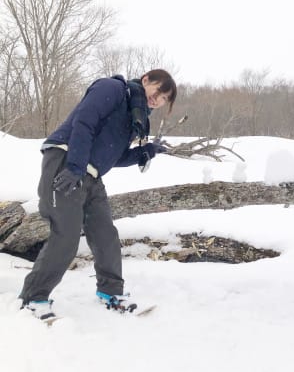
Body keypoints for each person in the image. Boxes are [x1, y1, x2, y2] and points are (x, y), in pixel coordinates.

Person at [19, 69, 177, 320]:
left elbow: (114, 155)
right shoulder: (113, 89)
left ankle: (110, 292)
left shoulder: (134, 117)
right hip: (65, 161)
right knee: (66, 235)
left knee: (105, 235)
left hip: (90, 175)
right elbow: (84, 121)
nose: (157, 99)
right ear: (145, 80)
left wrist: (146, 151)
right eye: (158, 90)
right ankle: (33, 297)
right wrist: (74, 167)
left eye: (164, 98)